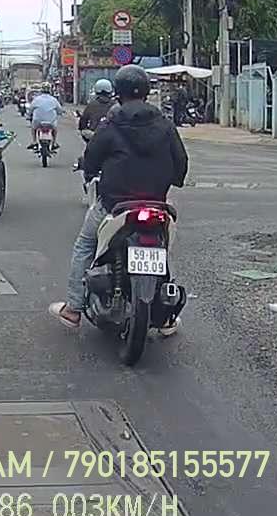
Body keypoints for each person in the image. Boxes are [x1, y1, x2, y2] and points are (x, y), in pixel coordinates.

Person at [49, 65, 188, 335]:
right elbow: (181, 162)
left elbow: (92, 157)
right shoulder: (165, 124)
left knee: (85, 244)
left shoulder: (111, 123)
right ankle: (167, 317)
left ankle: (73, 309)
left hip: (114, 205)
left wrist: (90, 171)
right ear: (146, 91)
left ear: (118, 92)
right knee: (161, 250)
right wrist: (172, 180)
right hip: (157, 205)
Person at [27, 83, 64, 149]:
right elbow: (59, 110)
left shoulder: (36, 99)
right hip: (51, 122)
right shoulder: (54, 100)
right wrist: (60, 113)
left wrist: (29, 116)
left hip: (38, 122)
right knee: (55, 129)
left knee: (33, 128)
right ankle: (54, 142)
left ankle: (34, 141)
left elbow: (30, 109)